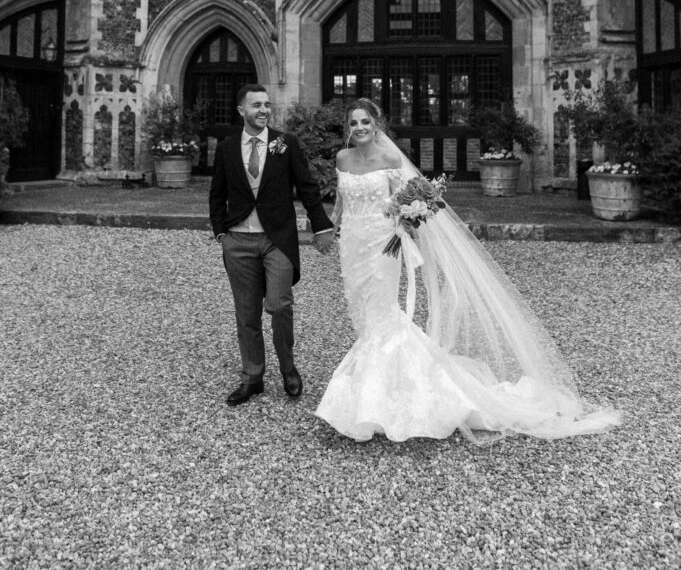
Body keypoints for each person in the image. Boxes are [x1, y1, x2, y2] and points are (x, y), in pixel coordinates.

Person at [315, 98, 622, 443]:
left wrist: (406, 220)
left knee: (383, 315)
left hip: (383, 248)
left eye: (365, 123)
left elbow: (406, 201)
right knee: (363, 317)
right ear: (348, 128)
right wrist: (329, 229)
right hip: (352, 247)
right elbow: (341, 202)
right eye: (354, 123)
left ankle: (379, 403)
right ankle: (384, 391)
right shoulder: (342, 159)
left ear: (376, 126)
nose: (359, 129)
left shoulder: (389, 159)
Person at [210, 84, 334, 406]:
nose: (264, 110)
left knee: (279, 305)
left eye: (267, 105)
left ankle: (288, 368)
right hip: (237, 241)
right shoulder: (225, 148)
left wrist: (321, 225)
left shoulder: (285, 144)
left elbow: (307, 187)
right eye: (256, 105)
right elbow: (216, 194)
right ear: (242, 111)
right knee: (246, 313)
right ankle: (253, 377)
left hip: (277, 238)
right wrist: (221, 235)